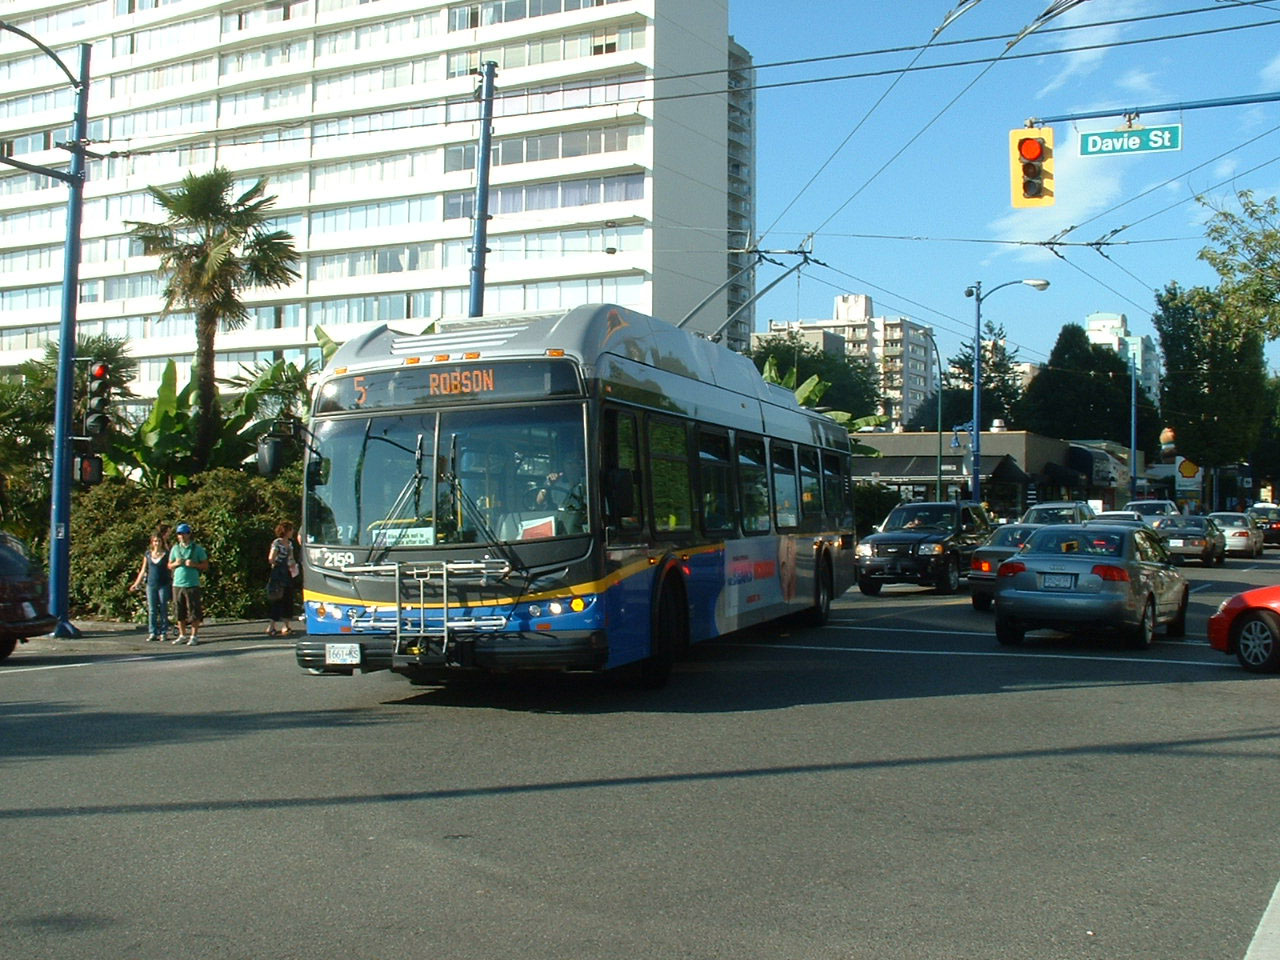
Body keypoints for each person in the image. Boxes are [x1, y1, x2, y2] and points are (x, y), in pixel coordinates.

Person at [168, 522, 209, 645]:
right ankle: (182, 635)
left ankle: (194, 636)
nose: (181, 536)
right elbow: (169, 565)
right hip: (177, 584)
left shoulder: (197, 549)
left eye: (184, 533)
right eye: (179, 534)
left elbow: (205, 565)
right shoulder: (175, 548)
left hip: (192, 583)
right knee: (179, 610)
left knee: (194, 610)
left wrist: (194, 564)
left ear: (189, 534)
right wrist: (176, 563)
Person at [128, 528, 172, 642]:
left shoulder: (166, 554)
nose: (157, 543)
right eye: (155, 541)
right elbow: (143, 570)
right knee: (152, 609)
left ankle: (163, 632)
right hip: (151, 584)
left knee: (163, 608)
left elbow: (171, 569)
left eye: (159, 541)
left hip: (163, 584)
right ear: (152, 542)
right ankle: (152, 632)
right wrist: (136, 584)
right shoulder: (148, 554)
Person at [266, 521, 299, 637]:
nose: (292, 532)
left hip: (287, 572)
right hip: (278, 573)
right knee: (277, 598)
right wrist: (277, 564)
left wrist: (292, 564)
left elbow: (291, 557)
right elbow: (271, 558)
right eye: (291, 530)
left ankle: (286, 625)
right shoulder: (277, 543)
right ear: (286, 531)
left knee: (287, 598)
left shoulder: (290, 544)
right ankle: (271, 626)